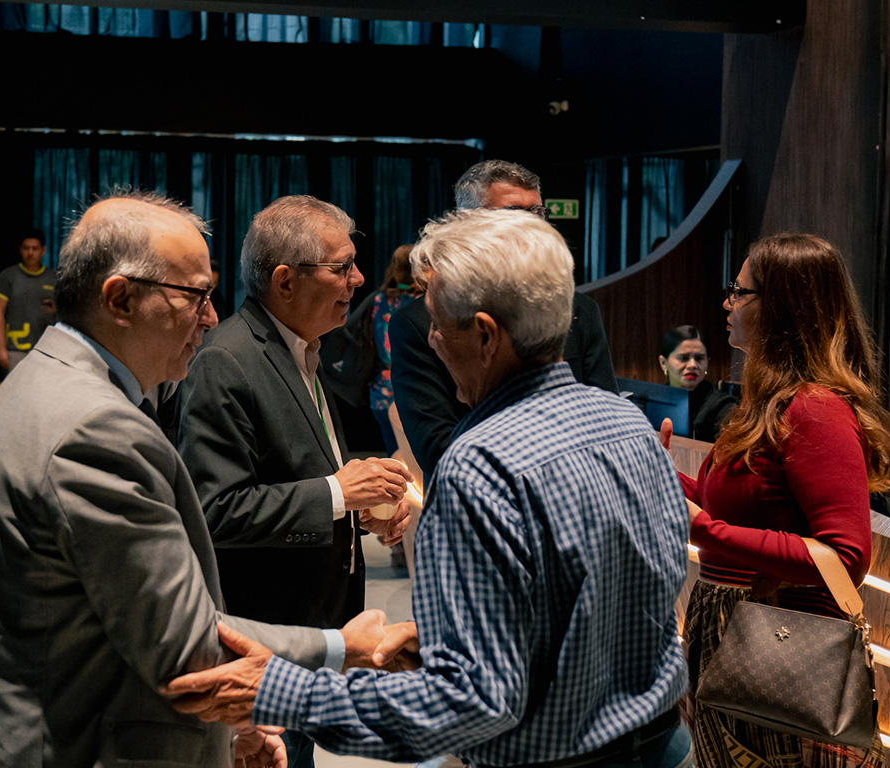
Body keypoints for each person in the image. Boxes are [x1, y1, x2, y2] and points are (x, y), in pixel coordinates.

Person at [162, 209, 693, 768]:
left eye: (437, 324)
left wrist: (282, 691)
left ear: (485, 335)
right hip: (664, 746)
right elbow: (614, 602)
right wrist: (466, 632)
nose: (431, 341)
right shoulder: (627, 423)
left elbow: (469, 703)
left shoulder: (479, 466)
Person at [0, 192, 417, 768]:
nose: (211, 318)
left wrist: (231, 731)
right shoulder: (96, 428)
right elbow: (185, 643)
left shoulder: (44, 380)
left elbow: (110, 617)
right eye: (196, 296)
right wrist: (346, 647)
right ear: (120, 298)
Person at [175, 195, 411, 768]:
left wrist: (363, 510)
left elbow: (300, 472)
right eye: (341, 266)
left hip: (314, 630)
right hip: (265, 639)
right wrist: (338, 493)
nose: (358, 279)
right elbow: (214, 510)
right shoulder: (227, 359)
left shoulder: (303, 349)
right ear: (285, 280)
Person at [663, 233, 890, 768]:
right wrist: (663, 481)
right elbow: (730, 510)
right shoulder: (767, 401)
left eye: (740, 291)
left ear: (783, 307)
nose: (728, 303)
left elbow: (846, 557)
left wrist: (705, 530)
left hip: (780, 658)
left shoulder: (815, 409)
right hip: (735, 645)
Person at [389, 158, 618, 484]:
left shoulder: (578, 308)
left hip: (579, 491)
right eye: (513, 215)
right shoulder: (420, 323)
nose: (533, 229)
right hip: (473, 494)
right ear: (466, 224)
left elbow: (605, 418)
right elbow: (437, 448)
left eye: (537, 214)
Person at [368, 244, 421, 455]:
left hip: (382, 389)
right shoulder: (422, 301)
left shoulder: (379, 299)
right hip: (414, 387)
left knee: (395, 457)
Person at [0, 229, 56, 371]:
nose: (30, 253)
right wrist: (0, 348)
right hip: (15, 349)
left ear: (43, 250)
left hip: (45, 349)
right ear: (20, 250)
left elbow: (64, 314)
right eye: (26, 248)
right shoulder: (8, 276)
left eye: (35, 248)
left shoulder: (53, 279)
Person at [658, 325, 736, 441]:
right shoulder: (653, 400)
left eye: (699, 358)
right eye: (683, 358)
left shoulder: (723, 406)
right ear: (664, 363)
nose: (692, 365)